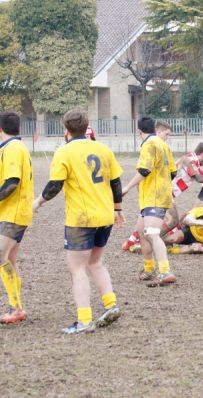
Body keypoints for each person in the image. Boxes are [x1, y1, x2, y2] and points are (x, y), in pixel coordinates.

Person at [33, 108, 124, 334]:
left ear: (66, 130)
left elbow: (55, 185)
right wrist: (118, 209)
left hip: (81, 219)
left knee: (77, 269)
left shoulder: (64, 152)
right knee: (95, 263)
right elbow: (116, 183)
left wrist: (37, 203)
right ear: (86, 127)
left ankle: (84, 320)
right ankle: (111, 305)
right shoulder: (103, 149)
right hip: (105, 216)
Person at [121, 142, 203, 251]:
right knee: (173, 221)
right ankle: (146, 242)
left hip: (162, 191)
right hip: (163, 191)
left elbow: (200, 174)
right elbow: (199, 178)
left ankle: (130, 242)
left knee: (157, 220)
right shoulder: (189, 160)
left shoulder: (191, 160)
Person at [122, 116, 177, 285]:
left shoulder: (149, 144)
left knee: (151, 233)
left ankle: (165, 271)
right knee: (141, 232)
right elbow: (173, 172)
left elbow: (144, 170)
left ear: (139, 132)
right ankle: (148, 269)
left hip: (154, 196)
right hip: (151, 197)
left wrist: (126, 188)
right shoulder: (163, 145)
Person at [0, 112, 33, 324]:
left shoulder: (12, 148)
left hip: (14, 212)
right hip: (12, 212)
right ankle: (17, 306)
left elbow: (12, 182)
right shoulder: (15, 147)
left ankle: (15, 307)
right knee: (9, 259)